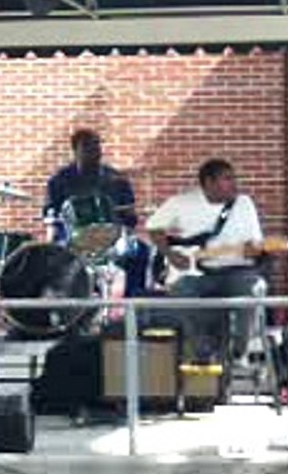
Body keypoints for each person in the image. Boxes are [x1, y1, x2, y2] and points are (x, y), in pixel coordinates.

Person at [146, 158, 267, 364]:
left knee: (255, 289)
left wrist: (254, 250)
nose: (235, 183)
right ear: (208, 183)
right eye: (227, 178)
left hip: (238, 272)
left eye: (234, 178)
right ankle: (204, 351)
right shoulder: (181, 203)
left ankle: (239, 351)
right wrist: (170, 254)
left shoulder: (244, 203)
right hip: (199, 274)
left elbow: (255, 244)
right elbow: (153, 228)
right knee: (179, 291)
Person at [43, 129, 152, 296]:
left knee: (141, 251)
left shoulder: (117, 179)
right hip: (72, 238)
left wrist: (127, 219)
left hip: (112, 237)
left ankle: (133, 305)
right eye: (87, 147)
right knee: (55, 260)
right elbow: (51, 218)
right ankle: (72, 307)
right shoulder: (59, 181)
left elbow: (131, 219)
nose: (95, 151)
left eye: (97, 146)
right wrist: (49, 245)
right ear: (75, 150)